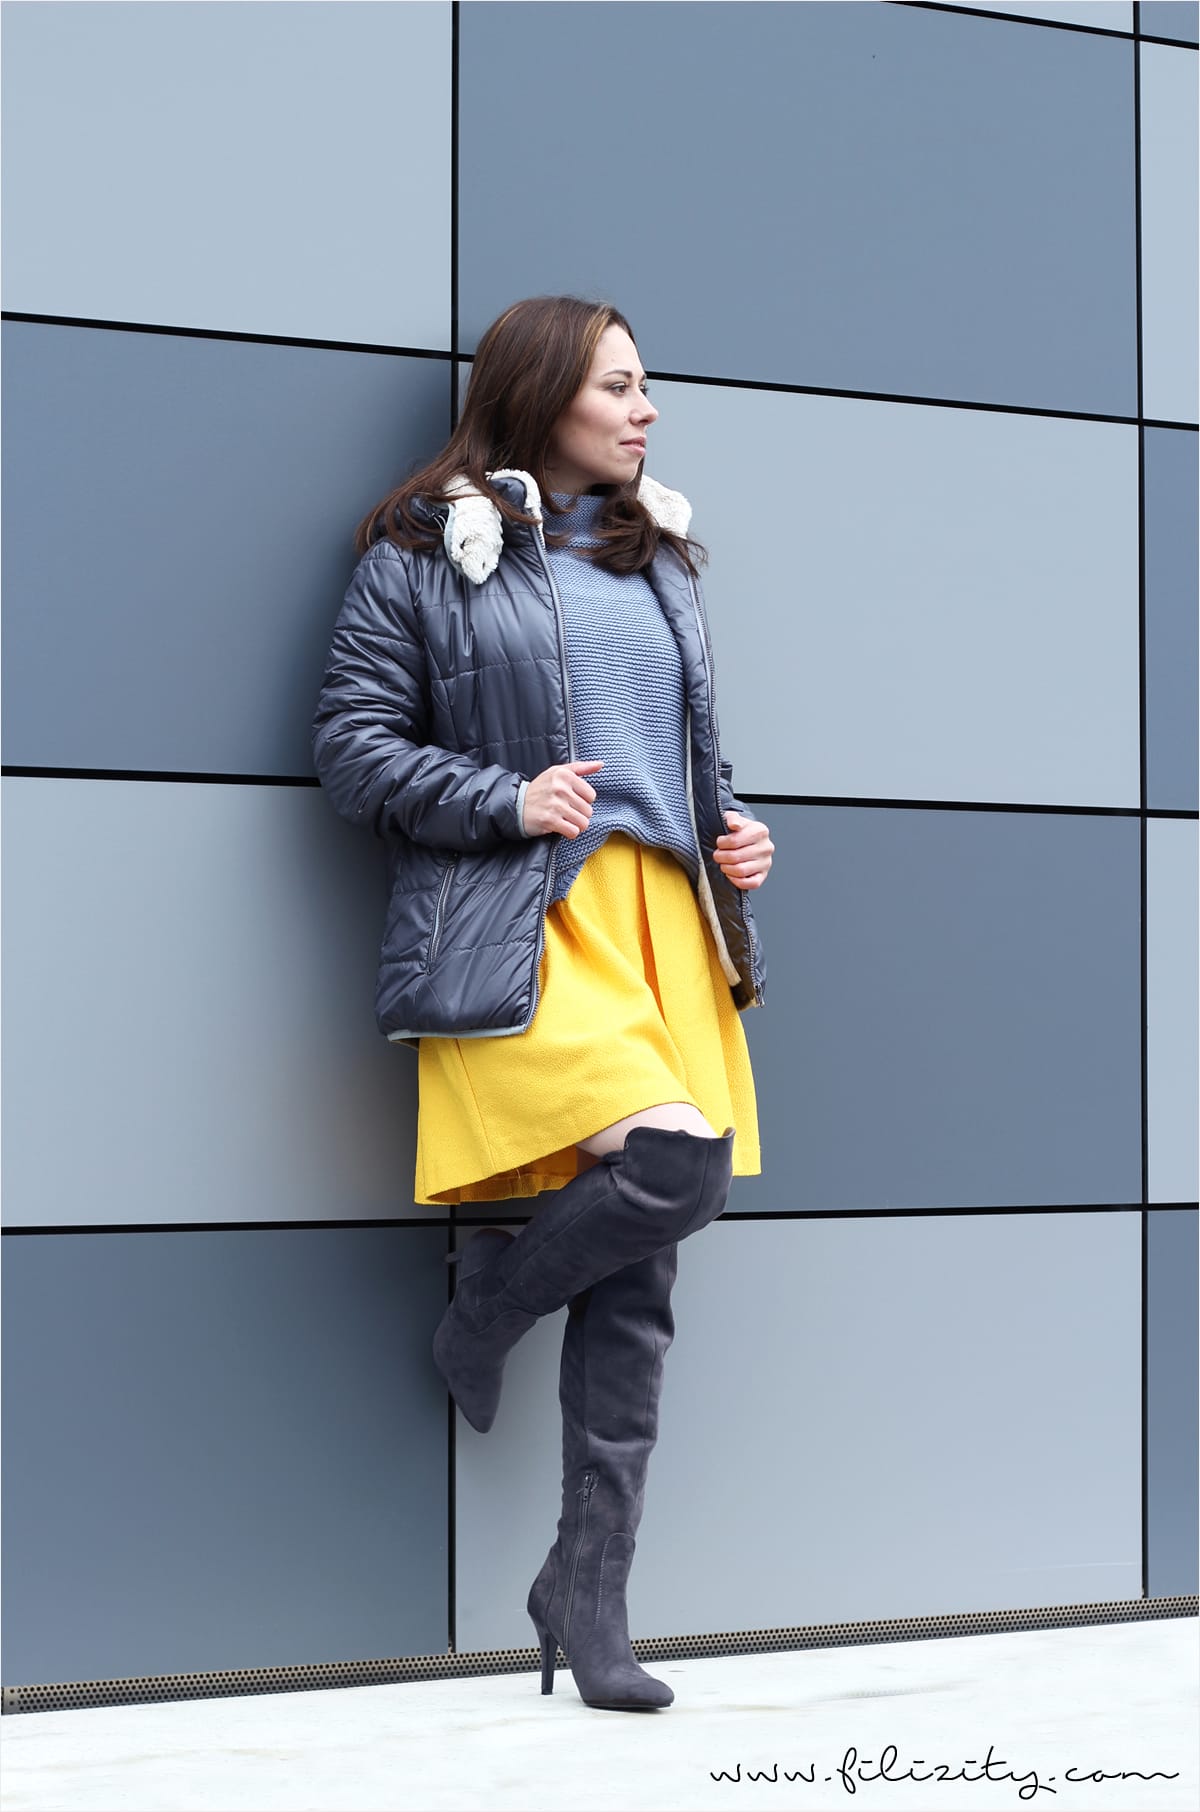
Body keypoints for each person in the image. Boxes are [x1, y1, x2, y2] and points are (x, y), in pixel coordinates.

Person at [312, 295, 772, 1712]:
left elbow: (680, 756)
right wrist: (501, 798)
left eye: (647, 389)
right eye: (619, 387)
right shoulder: (425, 556)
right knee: (672, 1165)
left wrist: (732, 830)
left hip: (665, 920)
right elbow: (350, 747)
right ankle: (485, 1314)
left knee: (642, 1279)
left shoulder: (662, 565)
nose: (646, 412)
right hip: (533, 909)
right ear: (539, 396)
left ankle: (588, 1592)